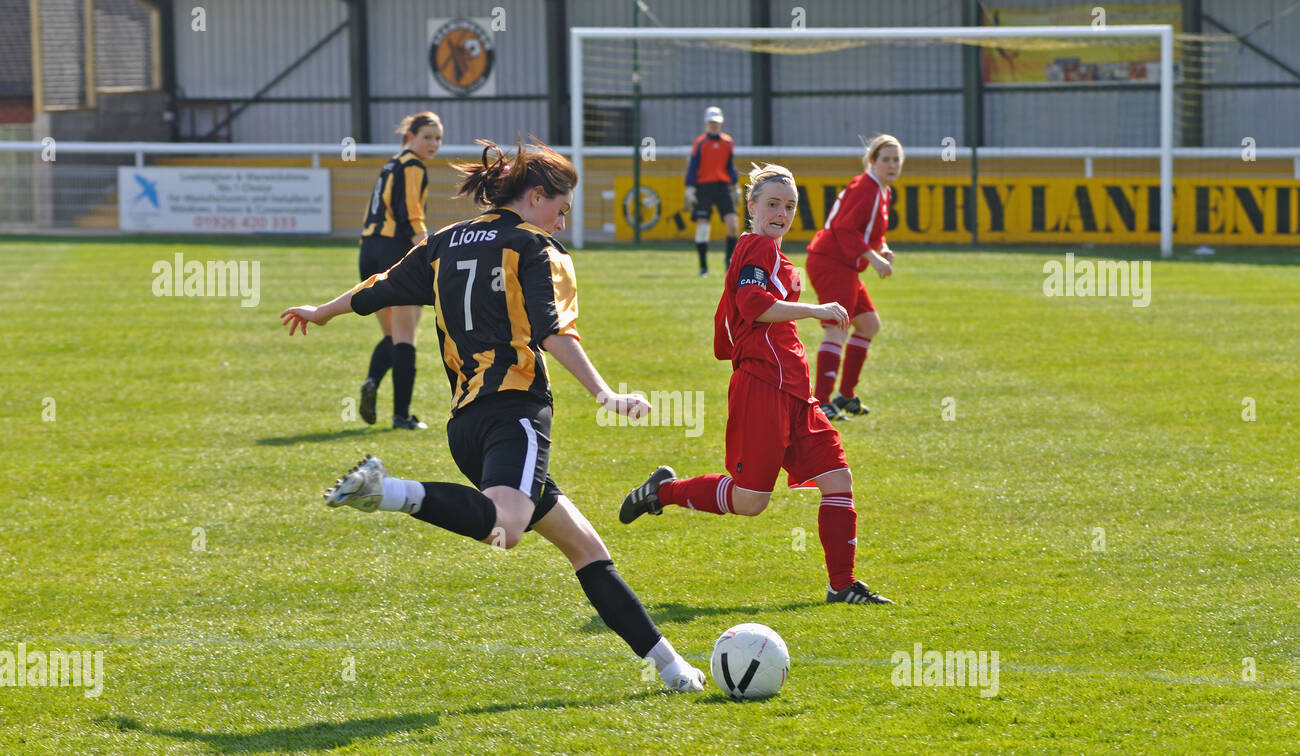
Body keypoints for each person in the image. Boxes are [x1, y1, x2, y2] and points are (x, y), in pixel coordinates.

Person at [279, 139, 707, 693]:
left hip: (465, 425)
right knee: (505, 529)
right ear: (535, 196)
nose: (562, 217)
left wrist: (322, 312)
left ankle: (674, 670)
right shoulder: (537, 248)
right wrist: (605, 394)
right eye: (561, 205)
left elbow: (379, 289)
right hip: (515, 412)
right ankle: (386, 491)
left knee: (585, 549)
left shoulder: (445, 242)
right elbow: (554, 332)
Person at [620, 163, 894, 607]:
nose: (781, 212)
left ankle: (842, 586)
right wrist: (814, 310)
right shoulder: (756, 247)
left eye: (789, 206)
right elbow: (752, 304)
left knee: (838, 480)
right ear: (750, 206)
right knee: (750, 501)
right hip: (761, 387)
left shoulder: (781, 259)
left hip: (796, 394)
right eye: (772, 203)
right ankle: (662, 491)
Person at [806, 134, 904, 421]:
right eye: (885, 159)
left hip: (844, 264)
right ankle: (821, 402)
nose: (892, 165)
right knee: (837, 326)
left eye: (896, 159)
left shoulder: (882, 190)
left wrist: (882, 249)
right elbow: (844, 228)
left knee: (868, 324)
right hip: (831, 261)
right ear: (871, 161)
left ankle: (845, 395)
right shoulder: (866, 187)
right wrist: (873, 258)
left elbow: (872, 232)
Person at [357, 111, 443, 430]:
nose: (433, 144)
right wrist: (429, 251)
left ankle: (371, 381)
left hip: (368, 251)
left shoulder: (391, 163)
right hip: (396, 250)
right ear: (410, 137)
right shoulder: (413, 166)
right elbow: (411, 215)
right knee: (406, 336)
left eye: (438, 138)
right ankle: (402, 416)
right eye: (427, 137)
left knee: (392, 334)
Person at [684, 105, 739, 277]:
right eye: (710, 122)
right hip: (704, 188)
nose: (713, 125)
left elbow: (729, 166)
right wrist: (690, 188)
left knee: (732, 224)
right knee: (703, 227)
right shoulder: (700, 143)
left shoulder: (728, 142)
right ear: (706, 123)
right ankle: (703, 267)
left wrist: (734, 186)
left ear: (721, 122)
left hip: (722, 187)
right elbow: (693, 166)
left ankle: (729, 261)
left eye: (716, 122)